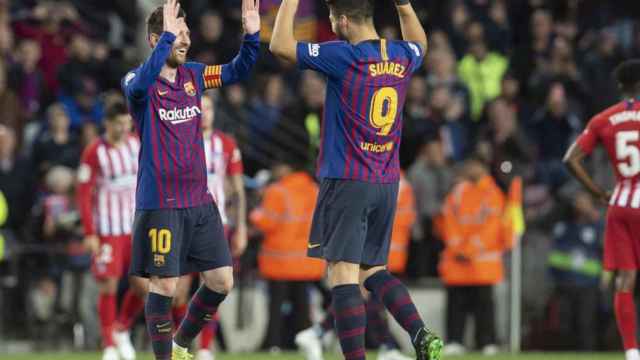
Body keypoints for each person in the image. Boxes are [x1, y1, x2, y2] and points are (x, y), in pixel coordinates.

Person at [270, 1, 442, 359]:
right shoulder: (400, 54)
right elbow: (421, 45)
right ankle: (420, 332)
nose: (331, 24)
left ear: (343, 20)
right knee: (373, 272)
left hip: (348, 177)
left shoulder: (343, 56)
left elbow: (280, 46)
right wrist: (406, 6)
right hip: (386, 180)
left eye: (332, 18)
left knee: (343, 274)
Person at [120, 1, 260, 359]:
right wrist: (167, 34)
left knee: (221, 281)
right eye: (177, 34)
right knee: (164, 284)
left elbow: (237, 70)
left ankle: (181, 345)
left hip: (200, 202)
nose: (185, 40)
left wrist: (252, 35)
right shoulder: (138, 82)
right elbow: (138, 88)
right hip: (161, 204)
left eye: (185, 33)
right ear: (156, 40)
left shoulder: (194, 76)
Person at [563, 59, 640, 360]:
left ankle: (632, 351)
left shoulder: (603, 119)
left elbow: (570, 159)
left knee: (625, 279)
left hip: (620, 203)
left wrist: (598, 193)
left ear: (621, 87)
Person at [76, 101, 145, 360]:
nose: (124, 127)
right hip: (107, 230)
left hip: (136, 227)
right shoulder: (94, 152)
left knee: (144, 285)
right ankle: (108, 345)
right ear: (107, 124)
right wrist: (90, 232)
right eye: (118, 123)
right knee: (109, 286)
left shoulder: (136, 143)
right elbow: (83, 194)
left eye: (127, 122)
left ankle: (121, 328)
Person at [251, 151, 325, 351]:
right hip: (307, 261)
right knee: (303, 308)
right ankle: (305, 345)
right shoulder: (315, 189)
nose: (275, 171)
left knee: (275, 307)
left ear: (286, 168)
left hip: (280, 261)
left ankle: (274, 344)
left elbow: (266, 222)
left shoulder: (277, 191)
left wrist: (255, 213)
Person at [439, 157, 514, 356]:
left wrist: (469, 249)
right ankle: (455, 340)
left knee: (484, 306)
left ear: (482, 167)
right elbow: (447, 220)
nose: (469, 168)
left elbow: (493, 227)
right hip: (458, 262)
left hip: (481, 263)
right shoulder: (457, 192)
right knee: (456, 304)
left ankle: (487, 342)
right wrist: (458, 248)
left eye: (473, 165)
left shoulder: (493, 193)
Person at [193, 93, 249, 360]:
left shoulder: (226, 144)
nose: (204, 113)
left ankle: (204, 347)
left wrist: (241, 227)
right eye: (199, 109)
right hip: (185, 223)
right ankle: (180, 343)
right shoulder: (182, 142)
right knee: (179, 289)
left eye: (208, 108)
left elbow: (238, 190)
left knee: (215, 285)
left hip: (218, 226)